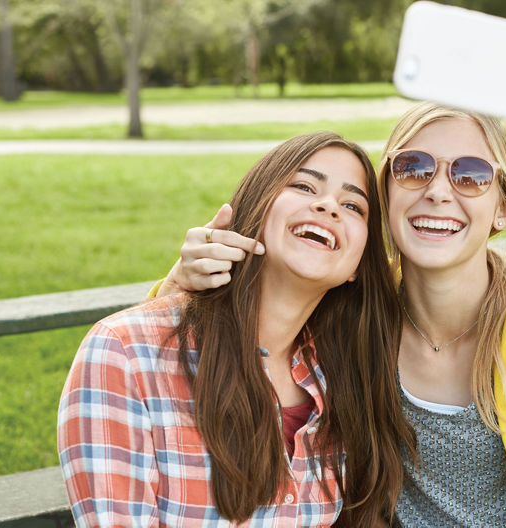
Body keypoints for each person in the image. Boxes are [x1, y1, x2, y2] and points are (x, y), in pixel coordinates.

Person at [157, 12, 506, 526]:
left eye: (472, 175)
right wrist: (184, 280)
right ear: (386, 193)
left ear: (502, 208)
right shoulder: (353, 301)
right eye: (413, 168)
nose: (437, 190)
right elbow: (209, 339)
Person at [57, 132, 415, 527]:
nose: (327, 205)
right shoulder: (123, 353)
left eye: (352, 205)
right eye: (303, 185)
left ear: (356, 267)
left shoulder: (343, 374)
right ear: (255, 206)